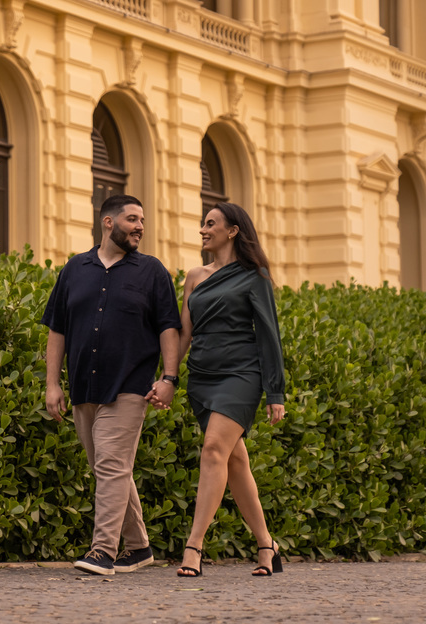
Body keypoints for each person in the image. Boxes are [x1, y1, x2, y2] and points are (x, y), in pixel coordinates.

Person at [42, 194, 182, 576]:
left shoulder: (152, 272)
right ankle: (138, 548)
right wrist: (52, 384)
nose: (140, 226)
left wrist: (169, 378)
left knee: (111, 465)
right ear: (108, 222)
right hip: (84, 386)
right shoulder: (75, 269)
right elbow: (57, 329)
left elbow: (169, 327)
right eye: (133, 219)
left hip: (130, 385)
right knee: (109, 468)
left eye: (142, 220)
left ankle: (103, 550)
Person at [146, 201, 286, 578]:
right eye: (202, 224)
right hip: (203, 377)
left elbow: (268, 335)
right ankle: (267, 546)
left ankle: (194, 548)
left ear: (233, 230)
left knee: (212, 450)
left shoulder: (254, 276)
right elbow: (184, 333)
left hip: (241, 375)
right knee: (235, 461)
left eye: (211, 224)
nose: (203, 230)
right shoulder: (194, 276)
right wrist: (169, 378)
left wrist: (275, 393)